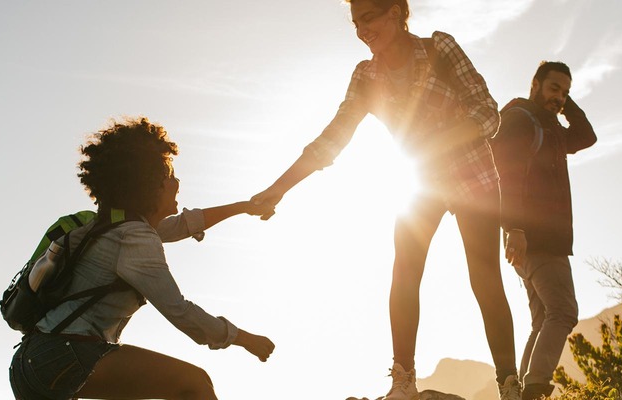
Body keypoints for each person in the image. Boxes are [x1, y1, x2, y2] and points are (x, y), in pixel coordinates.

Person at [248, 1, 521, 398]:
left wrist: (441, 142)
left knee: (484, 278)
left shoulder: (438, 48)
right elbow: (333, 138)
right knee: (404, 274)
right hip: (420, 183)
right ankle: (403, 381)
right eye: (356, 22)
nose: (362, 29)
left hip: (471, 175)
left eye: (369, 18)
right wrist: (279, 187)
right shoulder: (366, 75)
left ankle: (509, 382)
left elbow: (487, 112)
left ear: (395, 12)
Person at [9, 117, 276, 400]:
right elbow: (179, 311)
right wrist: (244, 339)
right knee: (193, 383)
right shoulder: (135, 236)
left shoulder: (117, 228)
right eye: (170, 176)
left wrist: (243, 207)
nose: (177, 182)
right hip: (63, 357)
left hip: (36, 362)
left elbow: (184, 224)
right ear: (151, 186)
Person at [492, 61, 596, 400]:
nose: (559, 97)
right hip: (535, 237)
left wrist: (567, 104)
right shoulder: (522, 120)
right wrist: (515, 227)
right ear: (535, 84)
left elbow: (586, 137)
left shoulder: (550, 128)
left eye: (565, 92)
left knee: (542, 321)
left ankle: (521, 392)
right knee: (564, 312)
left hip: (535, 238)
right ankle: (534, 390)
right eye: (554, 88)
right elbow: (507, 174)